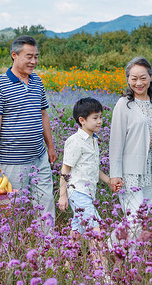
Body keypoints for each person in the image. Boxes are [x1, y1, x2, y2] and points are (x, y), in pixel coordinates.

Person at [0, 35, 57, 233]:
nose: (33, 61)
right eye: (29, 57)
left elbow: (43, 115)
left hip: (39, 156)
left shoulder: (37, 82)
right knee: (11, 209)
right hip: (11, 160)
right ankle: (8, 253)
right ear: (14, 55)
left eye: (36, 56)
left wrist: (50, 147)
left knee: (46, 202)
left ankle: (48, 248)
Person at [109, 56, 152, 239]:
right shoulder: (123, 104)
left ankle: (127, 260)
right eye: (133, 78)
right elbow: (115, 142)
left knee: (141, 219)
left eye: (143, 77)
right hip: (130, 173)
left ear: (150, 77)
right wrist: (114, 174)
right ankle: (107, 251)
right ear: (128, 79)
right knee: (134, 218)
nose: (138, 82)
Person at [58, 97, 113, 271]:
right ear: (82, 120)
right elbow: (65, 170)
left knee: (77, 232)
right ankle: (101, 271)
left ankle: (66, 269)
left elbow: (93, 169)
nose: (100, 121)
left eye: (101, 117)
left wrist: (109, 181)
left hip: (88, 193)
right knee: (95, 231)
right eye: (95, 118)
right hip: (78, 192)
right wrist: (62, 195)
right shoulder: (75, 141)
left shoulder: (93, 139)